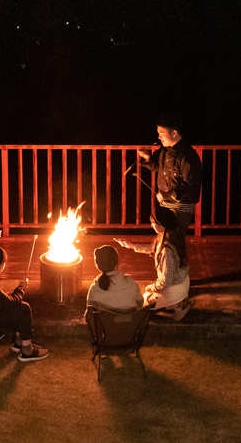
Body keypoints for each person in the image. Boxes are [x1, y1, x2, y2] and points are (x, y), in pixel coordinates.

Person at [136, 117, 202, 254]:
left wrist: (167, 194)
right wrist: (148, 158)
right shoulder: (164, 151)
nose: (159, 137)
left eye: (162, 133)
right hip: (166, 202)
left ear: (174, 133)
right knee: (165, 237)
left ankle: (176, 265)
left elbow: (190, 187)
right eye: (158, 133)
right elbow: (157, 167)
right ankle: (168, 263)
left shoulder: (188, 156)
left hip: (181, 206)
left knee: (172, 240)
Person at [114, 205, 191, 321]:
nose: (151, 225)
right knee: (146, 297)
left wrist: (152, 287)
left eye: (153, 222)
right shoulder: (170, 235)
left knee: (141, 304)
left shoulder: (167, 250)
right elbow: (152, 249)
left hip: (174, 288)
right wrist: (131, 245)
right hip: (182, 281)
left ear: (161, 224)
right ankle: (178, 303)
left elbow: (166, 280)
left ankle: (177, 305)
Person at [85, 244, 142, 313]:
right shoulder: (131, 283)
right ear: (117, 262)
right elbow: (140, 303)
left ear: (98, 265)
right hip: (131, 320)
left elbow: (90, 309)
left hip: (104, 320)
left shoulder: (94, 288)